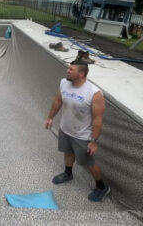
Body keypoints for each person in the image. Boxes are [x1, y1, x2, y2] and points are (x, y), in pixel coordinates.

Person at [44, 60, 110, 202]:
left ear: (81, 74)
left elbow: (98, 119)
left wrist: (93, 142)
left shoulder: (94, 93)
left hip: (82, 135)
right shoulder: (64, 83)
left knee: (88, 162)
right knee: (68, 152)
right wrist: (50, 117)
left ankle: (102, 187)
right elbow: (57, 101)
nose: (67, 71)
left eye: (71, 69)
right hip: (65, 128)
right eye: (68, 68)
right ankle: (68, 173)